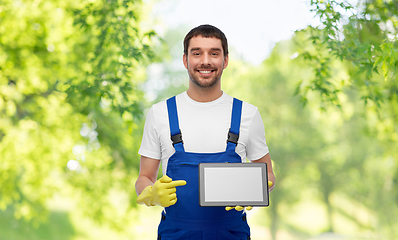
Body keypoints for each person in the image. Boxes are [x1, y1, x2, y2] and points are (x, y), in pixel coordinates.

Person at [135, 24, 275, 240]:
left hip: (231, 233)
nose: (205, 61)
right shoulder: (160, 113)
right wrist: (151, 194)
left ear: (225, 60)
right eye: (197, 53)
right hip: (175, 234)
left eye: (214, 53)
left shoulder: (248, 114)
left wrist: (259, 189)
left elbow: (268, 173)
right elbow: (144, 177)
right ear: (185, 60)